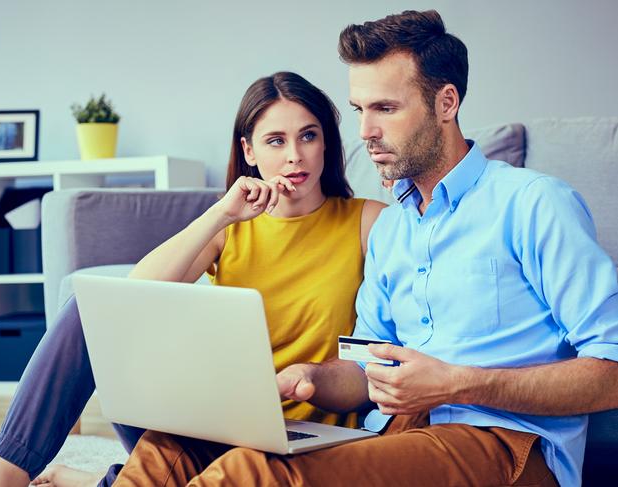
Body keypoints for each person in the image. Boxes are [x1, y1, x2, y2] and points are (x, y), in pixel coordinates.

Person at [111, 10, 618, 487]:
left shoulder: (534, 203)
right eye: (359, 109)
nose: (364, 132)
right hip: (395, 433)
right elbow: (362, 364)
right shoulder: (394, 228)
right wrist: (310, 377)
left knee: (254, 472)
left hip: (505, 445)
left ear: (447, 103)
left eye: (385, 109)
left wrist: (459, 384)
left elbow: (611, 369)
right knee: (171, 448)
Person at [0, 71, 386, 487]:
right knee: (89, 308)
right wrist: (220, 214)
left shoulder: (367, 222)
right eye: (275, 140)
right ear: (248, 150)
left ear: (326, 143)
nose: (295, 156)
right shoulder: (231, 225)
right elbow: (128, 300)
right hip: (214, 426)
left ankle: (104, 481)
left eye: (308, 136)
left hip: (310, 436)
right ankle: (5, 477)